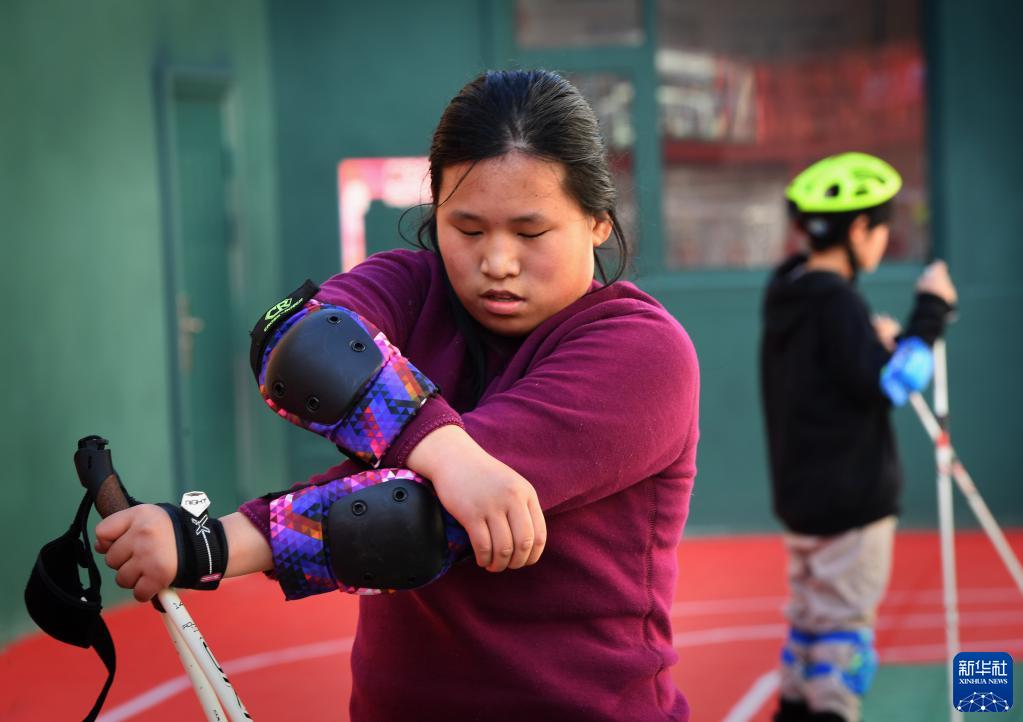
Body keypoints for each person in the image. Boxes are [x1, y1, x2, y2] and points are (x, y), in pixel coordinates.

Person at [94, 69, 700, 721]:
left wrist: (208, 544)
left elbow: (408, 517)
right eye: (467, 229)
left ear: (598, 222)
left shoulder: (644, 353)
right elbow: (295, 340)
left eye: (530, 233)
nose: (497, 262)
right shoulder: (412, 284)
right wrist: (446, 450)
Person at [760, 152, 958, 722]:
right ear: (859, 230)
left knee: (808, 633)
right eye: (881, 230)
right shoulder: (837, 300)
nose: (883, 242)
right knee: (842, 647)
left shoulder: (786, 289)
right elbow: (896, 381)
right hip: (851, 506)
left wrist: (877, 344)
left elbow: (846, 369)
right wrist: (931, 310)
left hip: (802, 502)